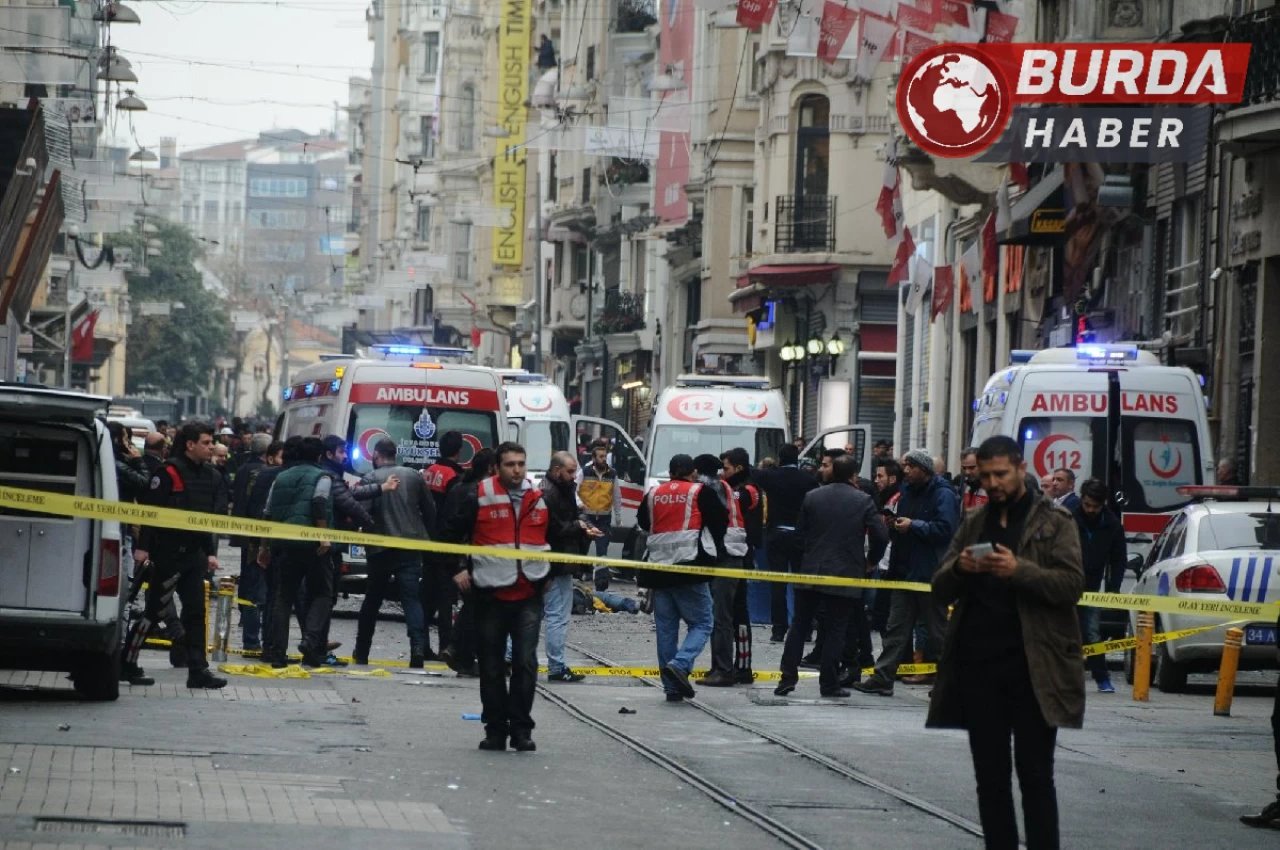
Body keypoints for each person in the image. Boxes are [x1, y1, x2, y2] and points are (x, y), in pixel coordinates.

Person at [927, 435, 1085, 850]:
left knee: (1035, 775)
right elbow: (939, 589)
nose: (993, 483)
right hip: (979, 669)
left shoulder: (1054, 522)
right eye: (985, 475)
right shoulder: (974, 522)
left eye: (1001, 474)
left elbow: (1071, 586)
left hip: (1035, 669)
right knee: (990, 778)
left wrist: (1019, 570)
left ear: (1020, 469)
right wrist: (959, 569)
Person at [447, 442, 551, 752]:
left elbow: (557, 538)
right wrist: (457, 568)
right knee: (491, 665)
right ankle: (495, 730)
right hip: (489, 593)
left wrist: (550, 574)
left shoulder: (539, 498)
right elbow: (449, 534)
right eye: (510, 464)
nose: (516, 470)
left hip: (528, 591)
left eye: (521, 463)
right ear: (497, 467)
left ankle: (521, 730)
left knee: (525, 662)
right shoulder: (476, 495)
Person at [776, 454, 888, 697]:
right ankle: (829, 683)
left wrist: (808, 556)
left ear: (833, 472)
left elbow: (800, 534)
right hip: (845, 573)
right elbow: (881, 534)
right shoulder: (863, 500)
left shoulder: (813, 496)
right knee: (836, 629)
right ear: (853, 475)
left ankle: (786, 677)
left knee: (799, 624)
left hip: (811, 569)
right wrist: (871, 562)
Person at [129, 422, 229, 689]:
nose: (210, 448)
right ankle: (127, 661)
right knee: (153, 612)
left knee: (196, 613)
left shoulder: (210, 476)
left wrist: (209, 553)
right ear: (190, 444)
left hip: (193, 556)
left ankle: (198, 670)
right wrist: (144, 549)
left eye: (211, 443)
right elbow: (149, 514)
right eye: (206, 443)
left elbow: (205, 519)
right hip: (168, 555)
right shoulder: (168, 473)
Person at [853, 450, 960, 696]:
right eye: (905, 466)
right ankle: (883, 678)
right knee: (895, 629)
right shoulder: (907, 493)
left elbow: (946, 529)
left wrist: (914, 525)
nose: (906, 471)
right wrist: (893, 526)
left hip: (929, 575)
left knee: (938, 632)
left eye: (910, 466)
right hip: (904, 573)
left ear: (924, 468)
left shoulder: (943, 494)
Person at [636, 454, 721, 703]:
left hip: (658, 571)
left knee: (666, 630)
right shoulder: (699, 492)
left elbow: (643, 522)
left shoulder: (653, 493)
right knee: (703, 622)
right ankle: (681, 664)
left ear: (671, 471)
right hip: (689, 567)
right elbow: (719, 521)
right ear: (692, 472)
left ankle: (671, 688)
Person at [355, 439, 436, 667]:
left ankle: (362, 651)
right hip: (410, 547)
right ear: (394, 454)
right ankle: (418, 648)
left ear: (377, 454)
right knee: (411, 599)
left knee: (372, 600)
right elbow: (429, 509)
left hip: (380, 548)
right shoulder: (413, 475)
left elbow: (363, 512)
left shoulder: (371, 479)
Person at [261, 437, 339, 668]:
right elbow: (319, 501)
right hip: (313, 545)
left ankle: (277, 654)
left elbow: (267, 511)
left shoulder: (281, 476)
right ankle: (310, 639)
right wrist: (323, 534)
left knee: (283, 598)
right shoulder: (322, 476)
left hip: (283, 544)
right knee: (323, 593)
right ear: (319, 456)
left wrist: (264, 547)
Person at [541, 451, 604, 683]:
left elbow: (575, 514)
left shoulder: (560, 489)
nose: (574, 476)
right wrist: (578, 526)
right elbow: (554, 529)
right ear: (557, 470)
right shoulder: (549, 493)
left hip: (557, 563)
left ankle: (508, 657)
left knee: (536, 613)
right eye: (569, 471)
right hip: (555, 564)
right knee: (557, 615)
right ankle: (556, 667)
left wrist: (583, 526)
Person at [438, 448, 495, 677]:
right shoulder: (475, 493)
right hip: (468, 562)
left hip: (469, 561)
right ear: (491, 468)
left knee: (472, 608)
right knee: (477, 610)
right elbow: (455, 531)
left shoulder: (460, 486)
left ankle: (460, 653)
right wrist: (459, 567)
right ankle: (461, 653)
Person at [754, 444, 820, 642]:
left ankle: (778, 629)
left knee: (778, 585)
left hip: (777, 534)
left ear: (780, 458)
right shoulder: (808, 480)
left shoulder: (771, 477)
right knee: (804, 585)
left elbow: (753, 474)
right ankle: (805, 628)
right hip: (801, 537)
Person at [108, 422, 156, 687]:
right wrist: (138, 462)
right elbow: (145, 486)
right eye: (126, 439)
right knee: (124, 596)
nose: (130, 445)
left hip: (121, 530)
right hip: (119, 533)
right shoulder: (118, 464)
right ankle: (120, 658)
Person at [693, 453, 747, 688]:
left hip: (726, 557)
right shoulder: (723, 485)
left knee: (721, 617)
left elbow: (715, 521)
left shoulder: (712, 487)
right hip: (730, 555)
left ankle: (723, 670)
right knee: (720, 615)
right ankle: (719, 666)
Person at [713, 447, 763, 685]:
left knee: (738, 614)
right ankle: (734, 665)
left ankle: (743, 666)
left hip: (741, 556)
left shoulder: (748, 491)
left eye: (727, 468)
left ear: (739, 468)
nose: (723, 473)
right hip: (736, 554)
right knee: (732, 613)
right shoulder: (735, 489)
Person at [1072, 478, 1125, 694]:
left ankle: (1101, 677)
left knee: (1093, 634)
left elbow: (1118, 559)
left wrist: (1113, 588)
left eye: (1095, 506)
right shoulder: (1070, 519)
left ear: (1103, 504)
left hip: (1092, 588)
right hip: (1066, 585)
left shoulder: (1111, 524)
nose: (1091, 510)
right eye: (1087, 505)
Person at [424, 431, 467, 658]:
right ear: (459, 450)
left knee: (428, 596)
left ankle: (421, 644)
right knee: (445, 599)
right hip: (446, 542)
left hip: (427, 540)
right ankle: (445, 646)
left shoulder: (429, 472)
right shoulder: (454, 476)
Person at [576, 440, 623, 591]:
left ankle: (601, 586)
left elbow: (616, 496)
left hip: (603, 518)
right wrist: (578, 503)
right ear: (594, 458)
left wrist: (618, 515)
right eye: (600, 456)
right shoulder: (584, 471)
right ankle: (578, 579)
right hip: (586, 517)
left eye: (605, 456)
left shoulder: (612, 474)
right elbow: (574, 490)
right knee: (582, 549)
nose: (603, 459)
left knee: (602, 552)